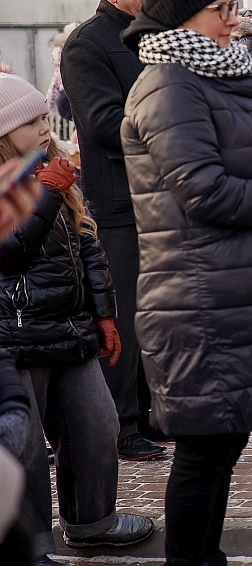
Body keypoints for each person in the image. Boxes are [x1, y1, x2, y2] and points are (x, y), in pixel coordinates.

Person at [119, 0, 252, 566]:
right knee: (204, 452)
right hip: (197, 296)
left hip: (227, 286)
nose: (235, 20)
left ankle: (206, 558)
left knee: (221, 446)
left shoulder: (212, 77)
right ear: (182, 18)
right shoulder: (168, 85)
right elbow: (202, 188)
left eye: (233, 7)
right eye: (222, 10)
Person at [0, 73, 155, 564]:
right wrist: (43, 193)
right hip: (16, 336)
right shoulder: (27, 183)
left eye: (46, 119)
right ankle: (32, 547)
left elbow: (86, 241)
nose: (45, 128)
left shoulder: (50, 169)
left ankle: (92, 522)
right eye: (33, 122)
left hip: (71, 328)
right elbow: (9, 253)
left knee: (96, 424)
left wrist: (104, 315)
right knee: (22, 448)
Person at [60, 0, 166, 462]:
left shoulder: (150, 35)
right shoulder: (87, 43)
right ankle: (118, 425)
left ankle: (146, 413)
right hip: (118, 202)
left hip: (161, 196)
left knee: (153, 315)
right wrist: (169, 119)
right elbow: (103, 123)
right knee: (119, 315)